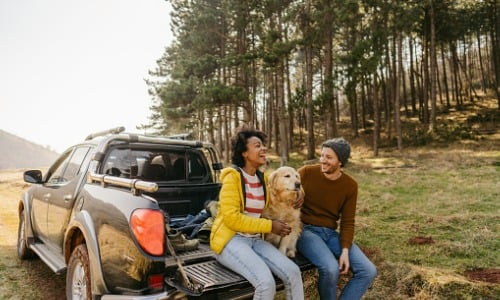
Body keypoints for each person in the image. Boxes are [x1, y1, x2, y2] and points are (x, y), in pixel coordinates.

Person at [210, 127, 304, 300]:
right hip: (230, 240)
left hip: (255, 239)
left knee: (293, 273)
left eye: (263, 145)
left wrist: (300, 194)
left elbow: (280, 193)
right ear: (245, 153)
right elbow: (232, 219)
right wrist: (270, 226)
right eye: (257, 145)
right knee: (266, 283)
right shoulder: (233, 178)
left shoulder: (262, 179)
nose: (263, 149)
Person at [296, 137, 377, 300]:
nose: (323, 161)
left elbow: (347, 221)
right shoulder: (306, 173)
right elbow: (286, 190)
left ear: (340, 161)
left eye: (328, 157)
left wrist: (345, 250)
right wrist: (295, 195)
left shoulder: (350, 185)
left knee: (368, 270)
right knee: (331, 268)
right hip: (305, 230)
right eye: (322, 155)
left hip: (330, 234)